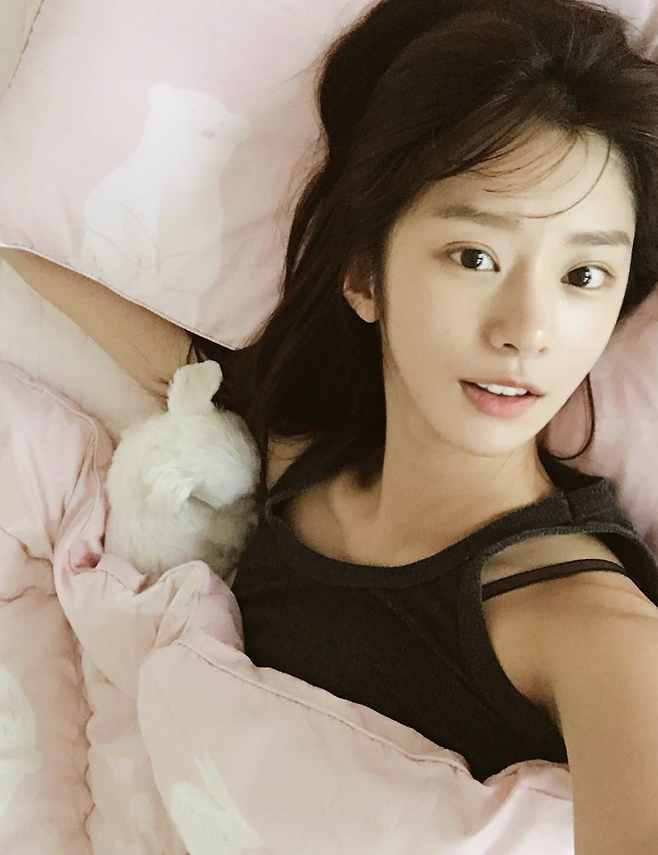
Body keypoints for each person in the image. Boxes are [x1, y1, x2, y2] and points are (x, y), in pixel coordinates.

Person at [189, 0, 658, 812]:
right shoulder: (300, 463)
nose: (527, 331)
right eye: (474, 255)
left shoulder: (591, 629)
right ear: (364, 274)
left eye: (583, 276)